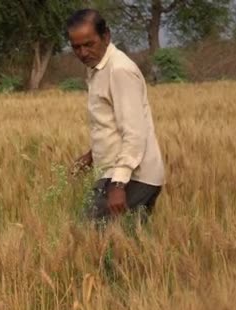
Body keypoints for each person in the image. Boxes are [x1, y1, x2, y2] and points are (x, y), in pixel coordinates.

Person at [67, 9, 165, 223]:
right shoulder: (99, 69)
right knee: (123, 245)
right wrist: (91, 157)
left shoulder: (119, 70)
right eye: (76, 47)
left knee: (89, 238)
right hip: (119, 174)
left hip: (133, 177)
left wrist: (118, 184)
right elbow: (112, 126)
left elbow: (134, 133)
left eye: (89, 44)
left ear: (106, 36)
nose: (83, 52)